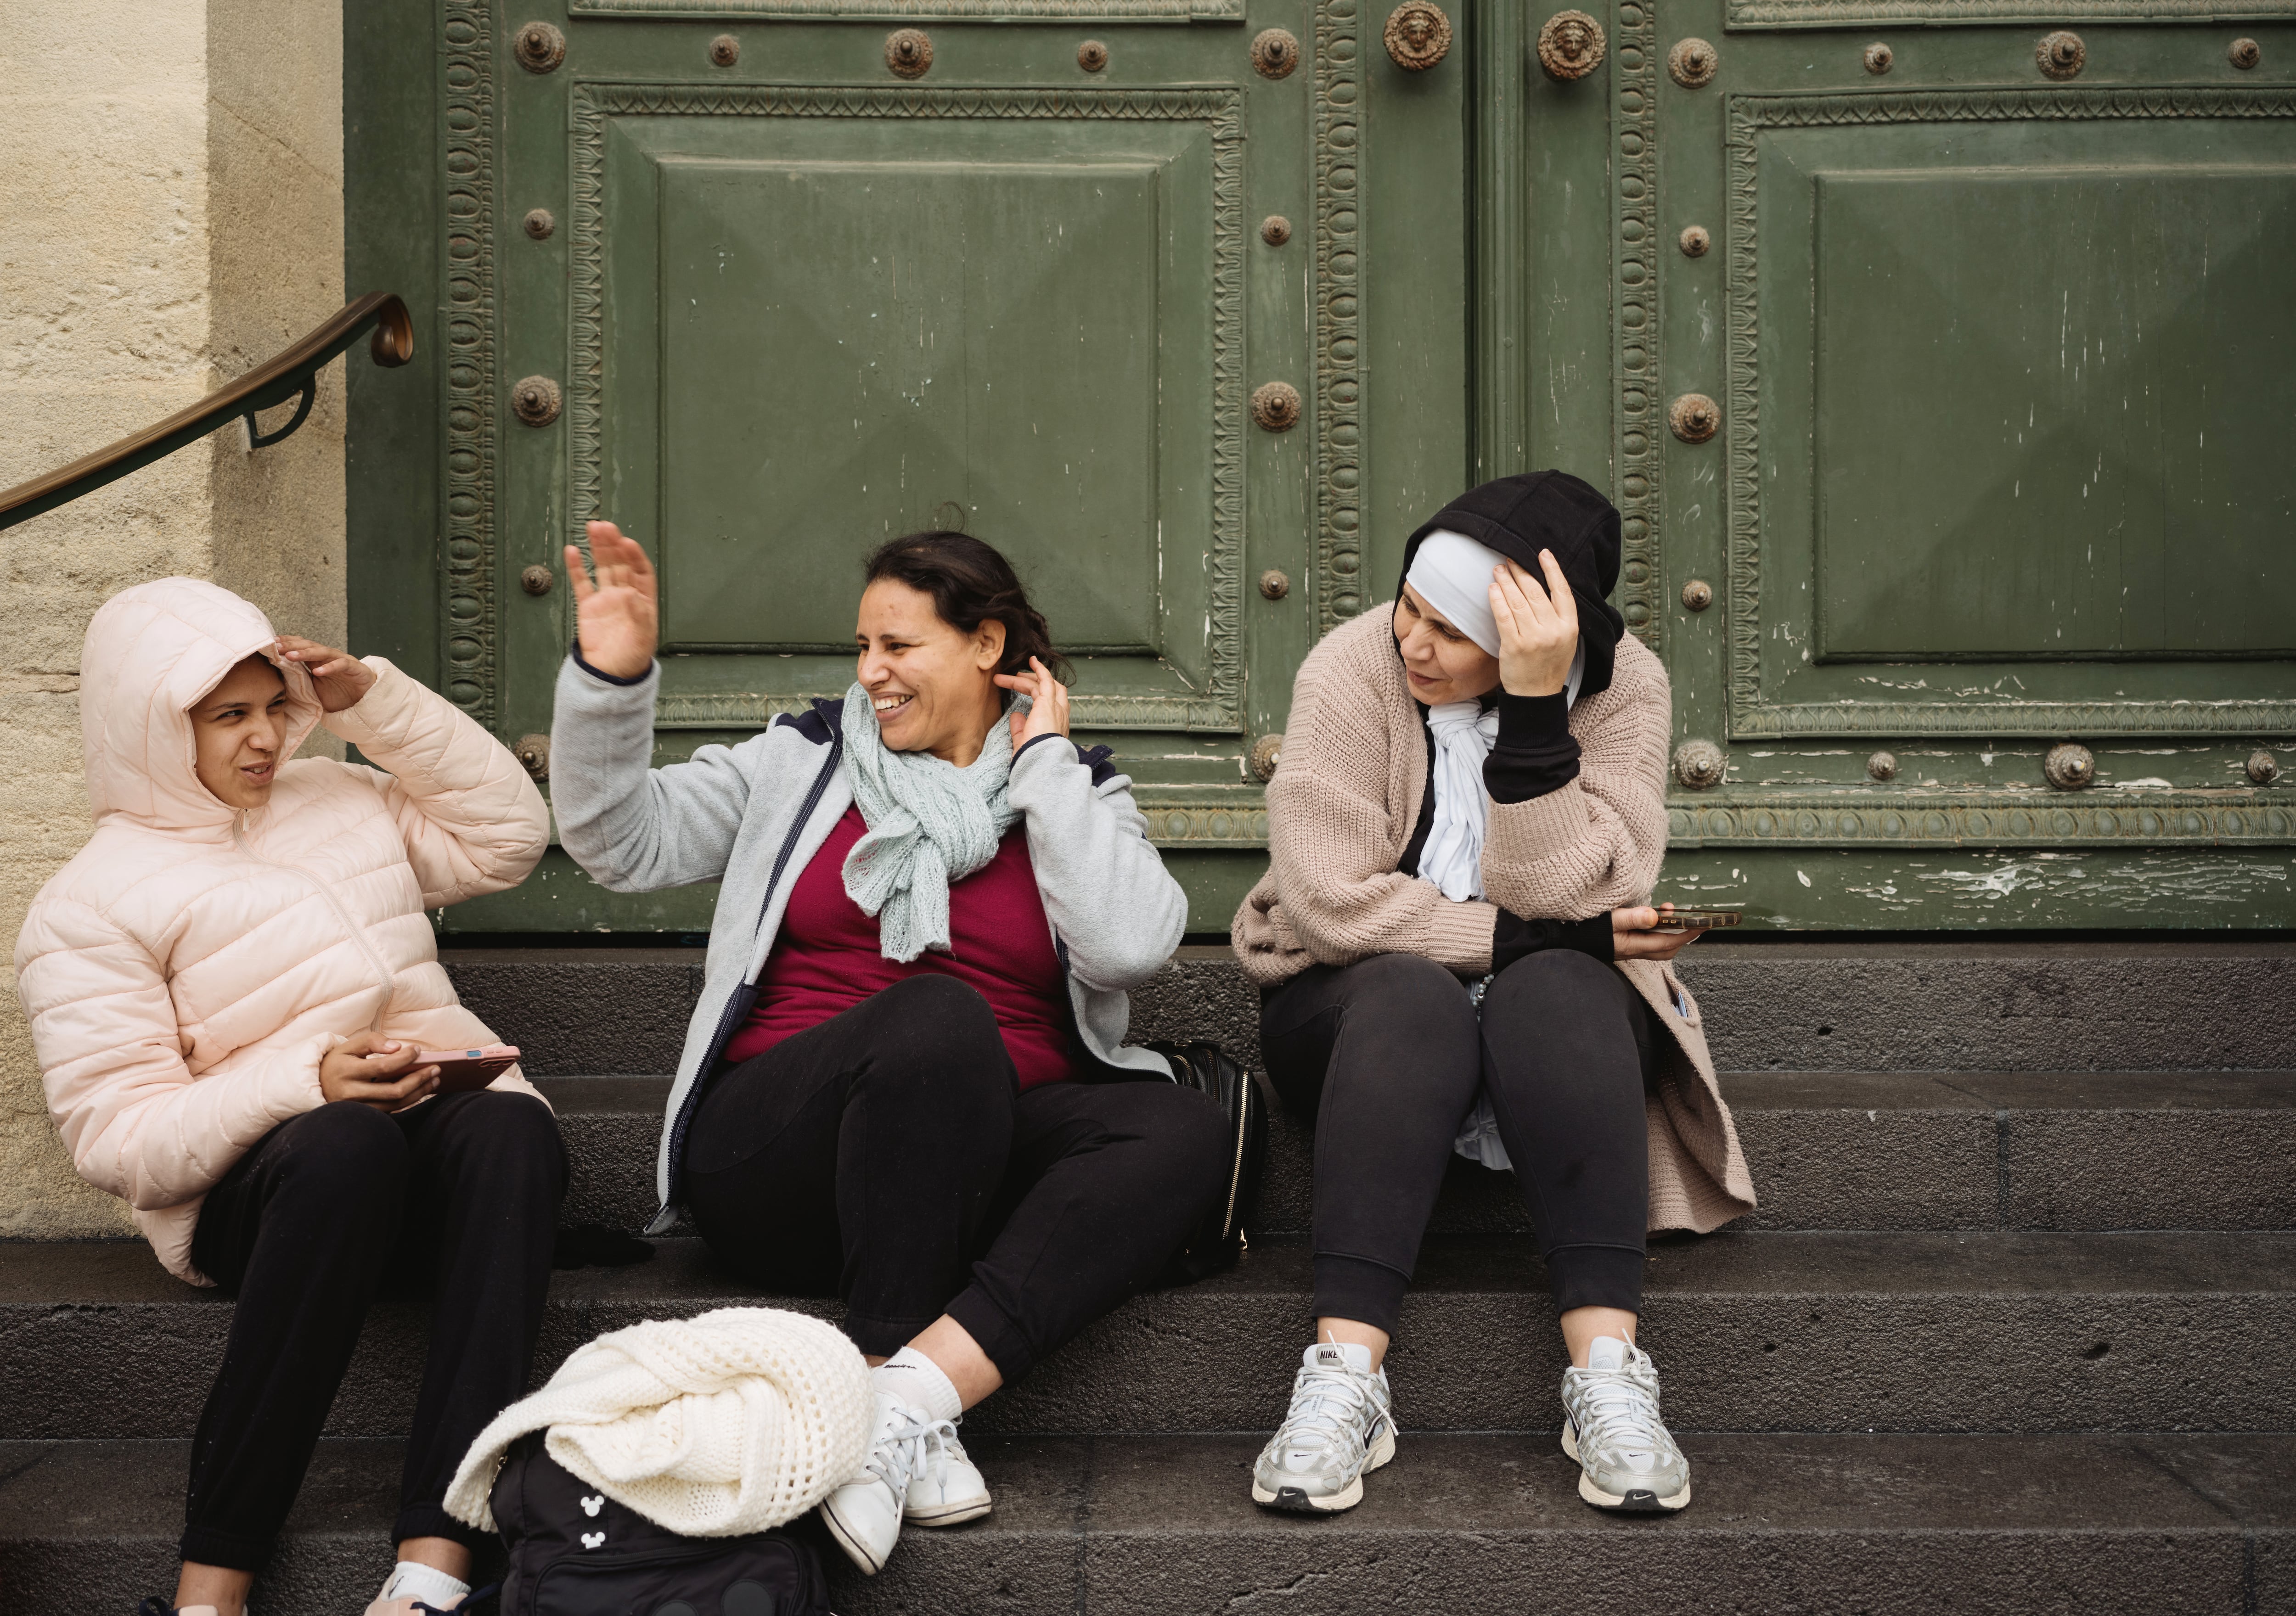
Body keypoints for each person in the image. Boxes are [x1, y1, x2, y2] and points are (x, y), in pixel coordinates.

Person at [548, 520, 1228, 1576]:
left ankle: (906, 1401)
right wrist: (612, 676)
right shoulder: (803, 759)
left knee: (1180, 1123)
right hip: (781, 1156)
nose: (871, 673)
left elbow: (1129, 947)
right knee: (936, 1012)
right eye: (863, 646)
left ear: (988, 646)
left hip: (970, 1163)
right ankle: (880, 1357)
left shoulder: (1073, 788)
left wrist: (1043, 765)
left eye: (899, 646)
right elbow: (618, 841)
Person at [14, 578, 564, 1616]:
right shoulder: (88, 903)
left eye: (276, 706)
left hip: (416, 1149)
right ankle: (211, 1586)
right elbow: (118, 1139)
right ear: (153, 723)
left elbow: (507, 835)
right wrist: (301, 1083)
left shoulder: (342, 799)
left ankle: (436, 1563)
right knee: (344, 1144)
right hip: (263, 1197)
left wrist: (372, 702)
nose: (266, 737)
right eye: (230, 715)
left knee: (511, 1131)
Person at [1232, 472, 1757, 1517]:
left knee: (1559, 988)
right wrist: (1532, 937)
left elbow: (1588, 887)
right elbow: (1334, 904)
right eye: (1409, 607)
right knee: (1415, 992)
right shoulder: (1353, 663)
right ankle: (1344, 1380)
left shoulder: (1624, 687)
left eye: (1450, 631)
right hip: (1351, 1011)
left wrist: (1529, 713)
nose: (1413, 643)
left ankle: (1608, 1376)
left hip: (1562, 1023)